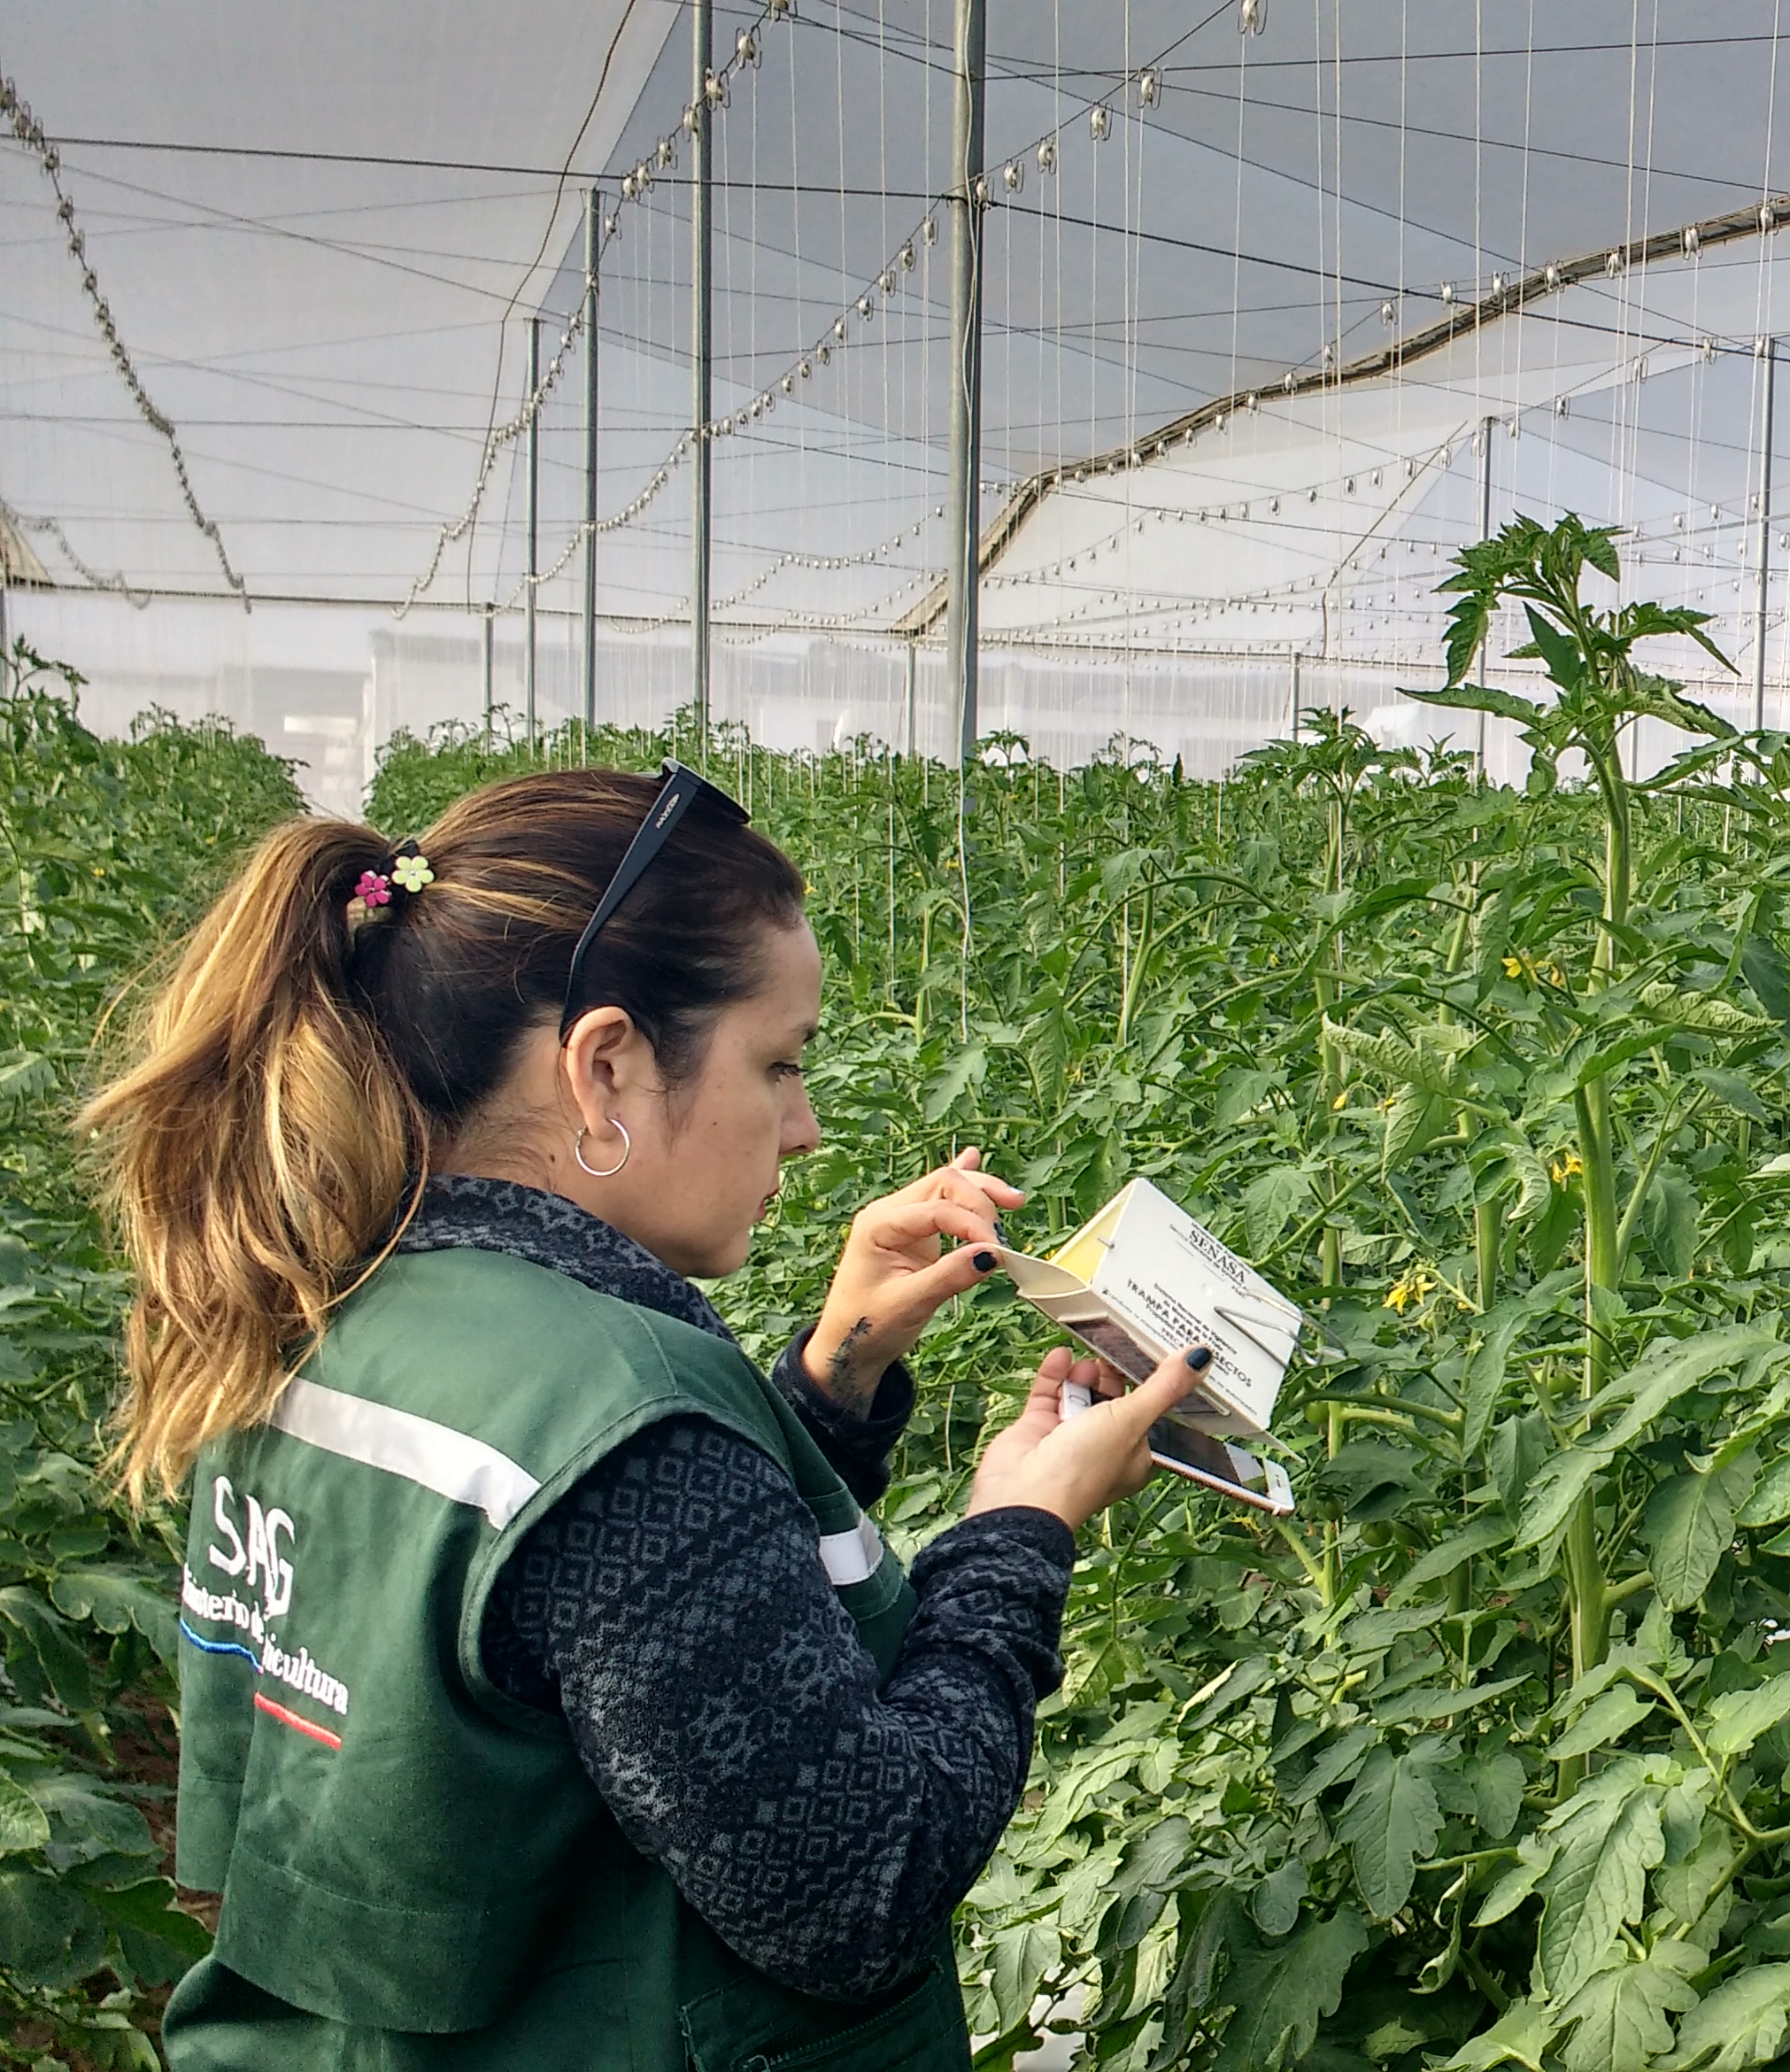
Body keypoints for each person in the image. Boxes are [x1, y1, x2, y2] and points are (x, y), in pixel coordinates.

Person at [81, 762, 1209, 2069]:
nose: (807, 1126)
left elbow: (578, 1636)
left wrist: (825, 1389)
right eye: (777, 1063)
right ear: (607, 1065)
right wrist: (1021, 1529)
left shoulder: (311, 1304)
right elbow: (861, 1887)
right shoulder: (624, 1428)